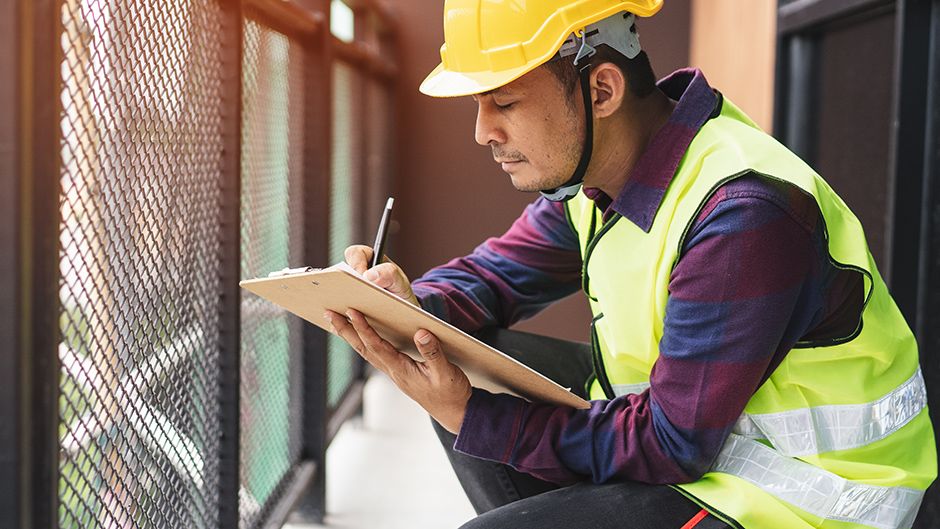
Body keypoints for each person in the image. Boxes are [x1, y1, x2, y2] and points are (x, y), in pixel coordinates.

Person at [323, 1, 937, 528]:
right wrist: (405, 305)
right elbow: (492, 278)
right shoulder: (597, 180)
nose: (483, 131)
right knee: (452, 354)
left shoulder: (742, 215)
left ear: (601, 90)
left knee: (478, 426)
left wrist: (473, 416)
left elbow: (671, 446)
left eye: (503, 102)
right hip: (702, 445)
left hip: (809, 502)